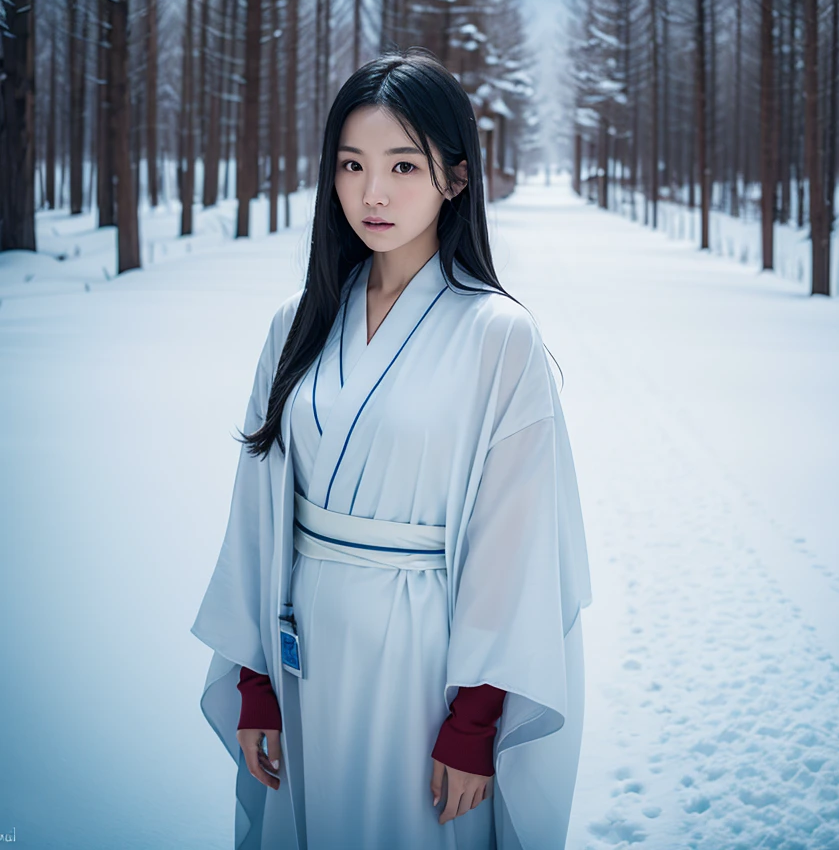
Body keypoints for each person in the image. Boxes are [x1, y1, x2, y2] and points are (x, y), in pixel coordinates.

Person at [190, 49, 592, 850]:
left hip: (425, 663)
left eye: (403, 165)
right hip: (300, 652)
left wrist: (475, 719)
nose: (372, 193)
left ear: (456, 178)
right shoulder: (296, 323)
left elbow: (512, 544)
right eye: (351, 164)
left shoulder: (498, 336)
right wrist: (255, 682)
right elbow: (257, 511)